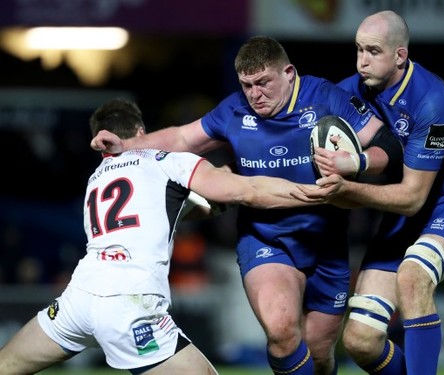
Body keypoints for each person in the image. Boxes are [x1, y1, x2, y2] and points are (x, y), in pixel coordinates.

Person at [90, 36, 402, 375]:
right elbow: (182, 138)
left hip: (326, 242)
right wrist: (128, 144)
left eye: (263, 82)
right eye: (247, 85)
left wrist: (356, 163)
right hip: (265, 238)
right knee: (282, 333)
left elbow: (387, 145)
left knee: (320, 351)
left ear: (289, 73)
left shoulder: (326, 97)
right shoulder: (235, 109)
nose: (255, 94)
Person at [0, 98, 329, 375]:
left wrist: (210, 204)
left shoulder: (97, 178)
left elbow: (157, 213)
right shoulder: (167, 162)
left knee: (6, 364)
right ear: (141, 131)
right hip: (130, 305)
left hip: (78, 300)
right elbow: (249, 190)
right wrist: (315, 192)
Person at [296, 10, 444, 375]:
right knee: (360, 340)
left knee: (412, 277)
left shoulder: (433, 104)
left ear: (400, 56)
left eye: (373, 51)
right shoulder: (352, 90)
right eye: (358, 49)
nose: (361, 61)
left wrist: (347, 187)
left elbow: (412, 198)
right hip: (405, 211)